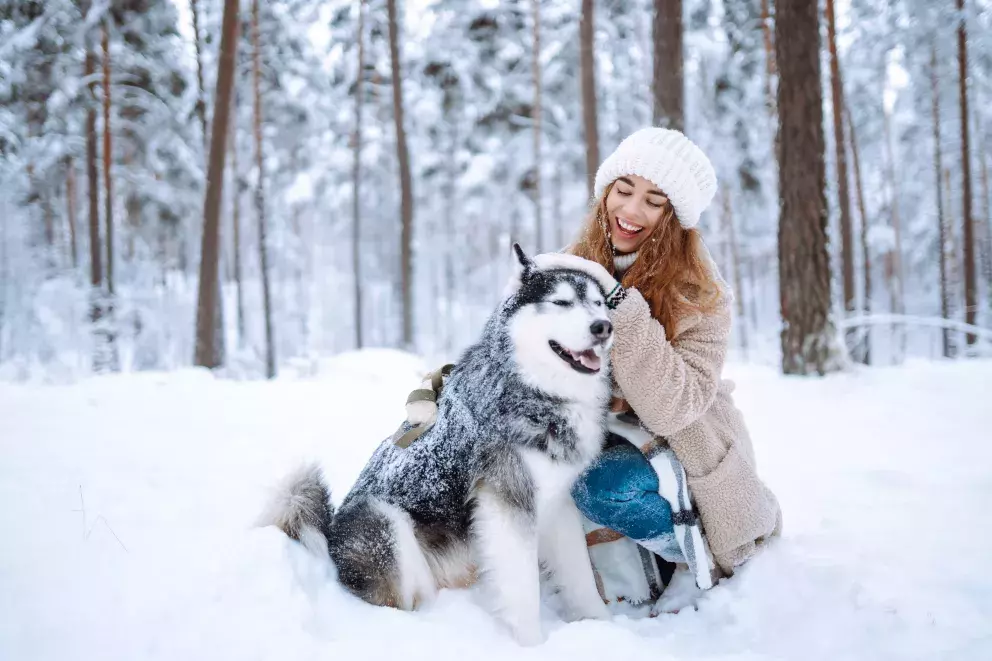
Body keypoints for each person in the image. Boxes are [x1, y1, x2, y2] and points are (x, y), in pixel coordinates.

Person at [533, 127, 781, 603]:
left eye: (653, 201)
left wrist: (621, 308)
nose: (629, 211)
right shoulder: (571, 264)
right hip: (594, 429)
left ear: (675, 217)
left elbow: (673, 409)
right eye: (622, 191)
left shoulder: (701, 293)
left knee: (603, 486)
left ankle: (691, 552)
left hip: (681, 441)